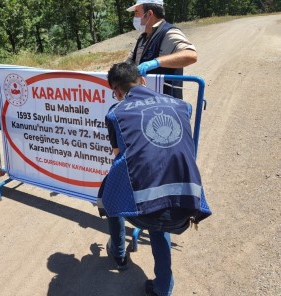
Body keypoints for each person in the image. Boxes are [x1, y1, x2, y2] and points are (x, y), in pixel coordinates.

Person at [97, 62, 211, 296]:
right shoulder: (182, 106)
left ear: (117, 92)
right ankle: (163, 288)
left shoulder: (115, 113)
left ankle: (118, 253)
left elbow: (119, 160)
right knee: (161, 221)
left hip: (148, 211)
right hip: (187, 204)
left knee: (108, 194)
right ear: (143, 81)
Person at [126, 0, 197, 99]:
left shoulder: (168, 33)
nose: (135, 17)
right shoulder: (143, 38)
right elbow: (129, 62)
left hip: (165, 107)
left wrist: (155, 62)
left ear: (149, 14)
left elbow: (191, 55)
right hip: (146, 102)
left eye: (137, 13)